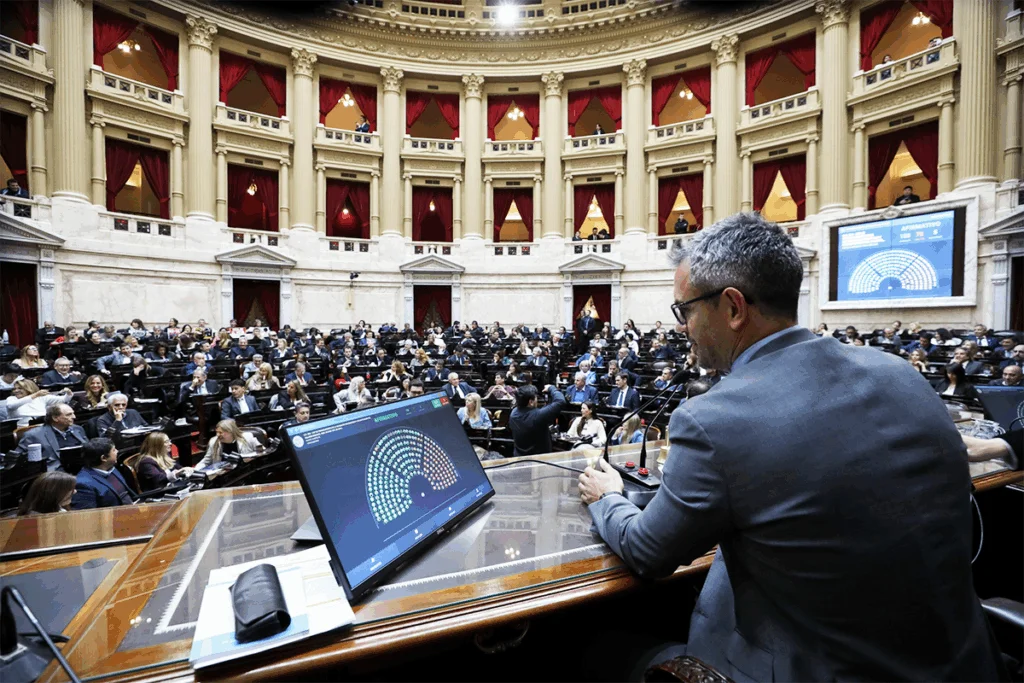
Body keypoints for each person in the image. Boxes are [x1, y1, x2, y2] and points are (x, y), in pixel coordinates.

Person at [576, 212, 1001, 681]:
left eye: (685, 310)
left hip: (817, 672)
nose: (682, 328)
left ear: (733, 308)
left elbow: (648, 553)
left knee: (587, 649)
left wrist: (607, 496)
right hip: (966, 665)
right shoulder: (901, 373)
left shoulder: (714, 418)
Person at [6, 403, 88, 471]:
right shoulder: (33, 435)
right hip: (56, 472)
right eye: (69, 415)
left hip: (83, 467)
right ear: (55, 418)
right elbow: (17, 459)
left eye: (73, 413)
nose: (74, 417)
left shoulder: (77, 429)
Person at [71, 438, 137, 510]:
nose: (117, 451)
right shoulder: (83, 484)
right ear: (104, 458)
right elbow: (87, 514)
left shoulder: (111, 467)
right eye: (114, 450)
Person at [509, 384, 566, 457]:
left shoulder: (514, 413)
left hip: (519, 458)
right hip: (539, 459)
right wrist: (551, 388)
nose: (537, 400)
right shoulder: (538, 416)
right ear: (531, 402)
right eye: (536, 397)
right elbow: (560, 401)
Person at [127, 432, 193, 491]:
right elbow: (159, 480)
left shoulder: (165, 454)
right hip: (159, 493)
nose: (170, 443)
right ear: (157, 446)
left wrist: (186, 469)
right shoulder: (145, 462)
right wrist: (176, 474)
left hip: (172, 487)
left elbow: (177, 467)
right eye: (166, 442)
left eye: (169, 441)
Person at [195, 419, 259, 469]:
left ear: (230, 432)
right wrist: (195, 470)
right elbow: (206, 461)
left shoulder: (248, 438)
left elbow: (261, 453)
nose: (217, 435)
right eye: (217, 432)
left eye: (220, 432)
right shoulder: (214, 441)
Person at [5, 379, 73, 420]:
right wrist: (35, 395)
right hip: (22, 427)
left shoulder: (40, 397)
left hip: (43, 424)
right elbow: (11, 406)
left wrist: (68, 393)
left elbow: (64, 400)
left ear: (29, 388)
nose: (16, 391)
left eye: (20, 388)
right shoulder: (12, 399)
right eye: (14, 389)